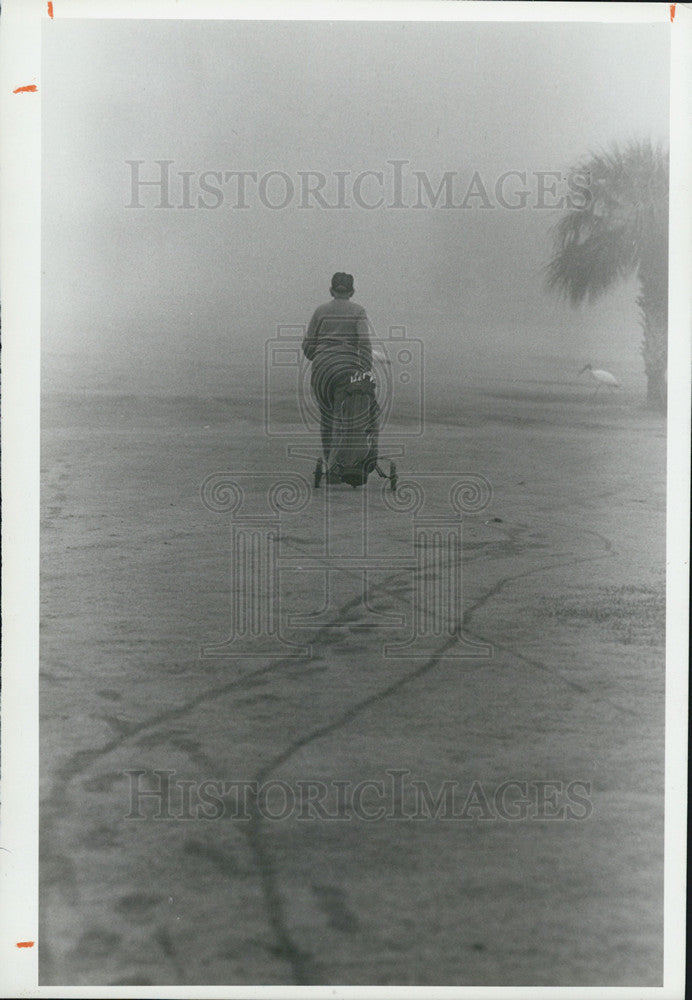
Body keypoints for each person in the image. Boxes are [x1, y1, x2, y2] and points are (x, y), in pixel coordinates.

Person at [302, 273, 374, 464]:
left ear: (331, 290)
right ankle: (345, 463)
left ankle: (329, 464)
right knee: (344, 415)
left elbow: (308, 346)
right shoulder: (358, 311)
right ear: (352, 291)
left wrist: (318, 355)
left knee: (327, 417)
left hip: (322, 370)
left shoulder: (320, 311)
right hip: (347, 370)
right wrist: (366, 368)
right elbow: (364, 342)